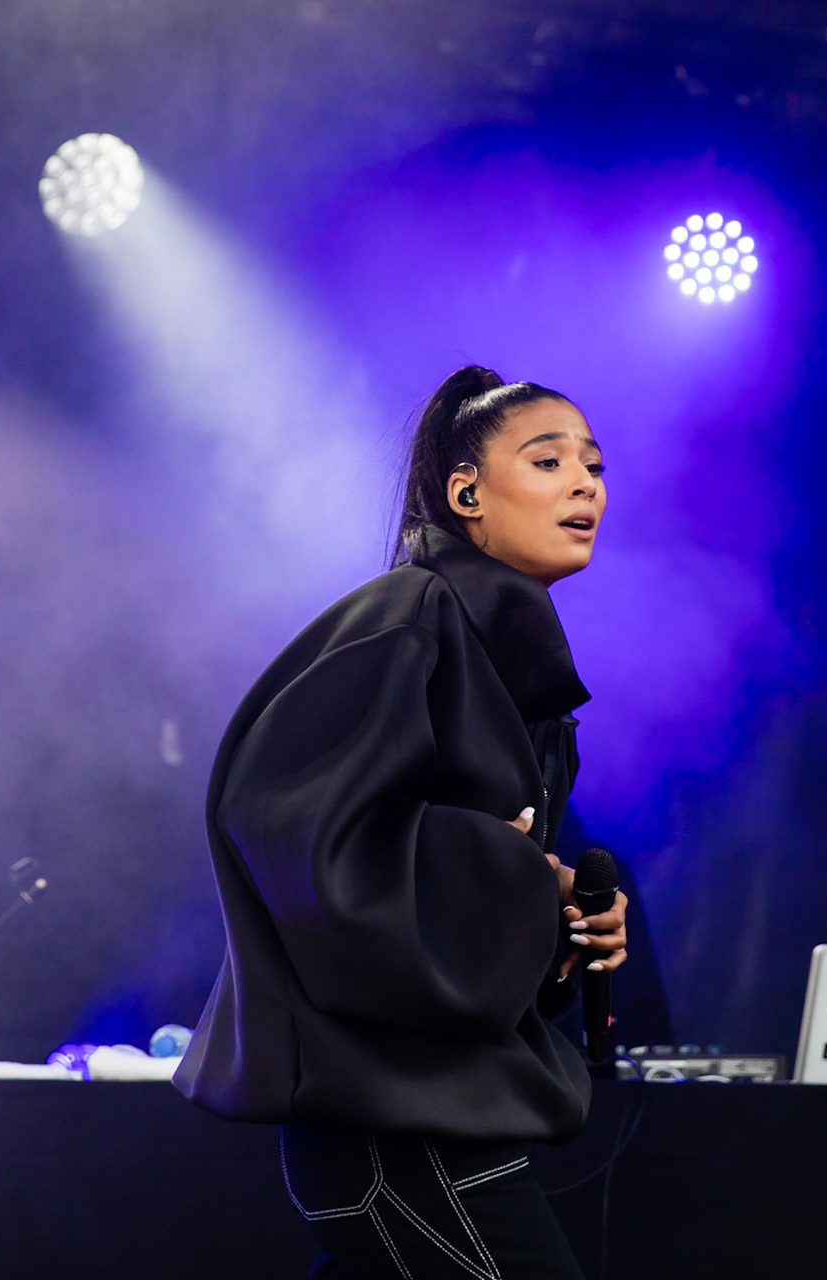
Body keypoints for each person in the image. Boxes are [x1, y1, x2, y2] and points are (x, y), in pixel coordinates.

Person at [175, 365, 629, 1279]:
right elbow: (297, 836)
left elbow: (448, 957)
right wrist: (519, 877)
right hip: (395, 1125)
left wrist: (565, 927)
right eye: (548, 461)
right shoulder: (407, 617)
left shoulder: (514, 678)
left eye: (595, 465)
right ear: (466, 492)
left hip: (418, 1109)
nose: (586, 483)